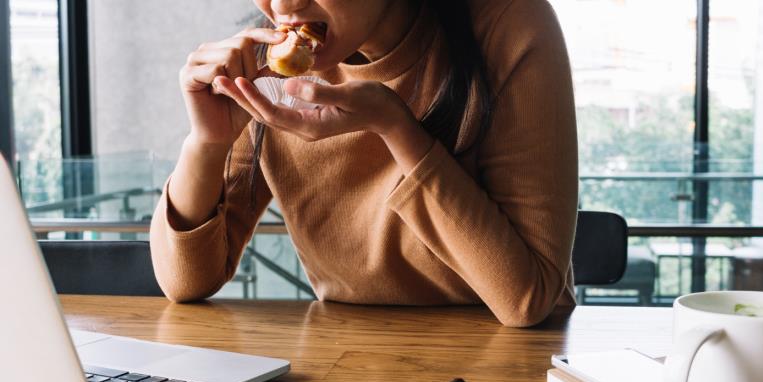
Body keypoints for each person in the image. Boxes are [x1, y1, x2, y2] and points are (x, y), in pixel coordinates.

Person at [149, 0, 578, 327]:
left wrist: (395, 128)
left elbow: (527, 299)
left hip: (511, 373)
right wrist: (206, 143)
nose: (283, 7)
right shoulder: (265, 65)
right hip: (350, 357)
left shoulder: (509, 24)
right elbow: (184, 283)